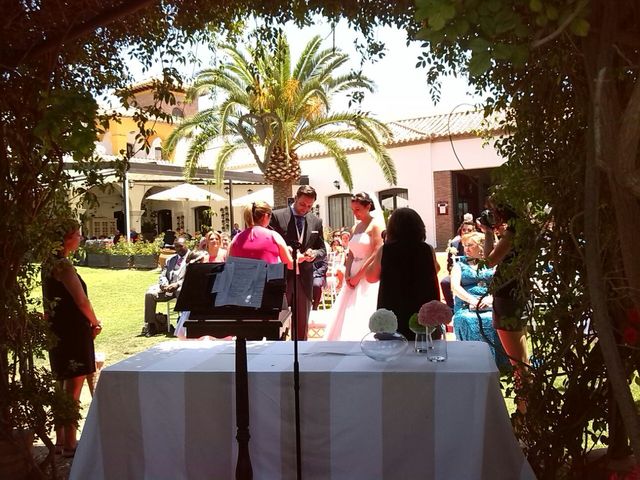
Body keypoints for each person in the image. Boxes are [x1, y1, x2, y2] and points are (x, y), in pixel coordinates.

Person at [41, 221, 103, 457]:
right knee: (73, 387)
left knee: (62, 384)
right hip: (73, 330)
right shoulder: (64, 266)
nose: (80, 237)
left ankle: (59, 441)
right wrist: (95, 322)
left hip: (57, 330)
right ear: (66, 239)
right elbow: (81, 300)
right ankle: (70, 443)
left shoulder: (48, 265)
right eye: (77, 234)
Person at [479, 199, 529, 412]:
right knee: (523, 360)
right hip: (520, 294)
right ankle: (527, 410)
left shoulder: (512, 234)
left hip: (507, 297)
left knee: (519, 364)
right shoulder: (527, 233)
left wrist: (489, 233)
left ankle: (525, 412)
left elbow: (488, 262)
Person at [366, 208, 440, 340]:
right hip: (421, 307)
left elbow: (371, 277)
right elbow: (436, 269)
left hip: (393, 307)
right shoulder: (427, 249)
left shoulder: (386, 250)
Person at [325, 192, 384, 340]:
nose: (355, 213)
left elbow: (377, 251)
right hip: (352, 272)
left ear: (368, 206)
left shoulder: (375, 226)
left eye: (358, 209)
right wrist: (347, 274)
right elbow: (350, 253)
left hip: (367, 273)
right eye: (353, 210)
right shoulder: (355, 228)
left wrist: (359, 276)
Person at [270, 186, 326, 340]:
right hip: (282, 277)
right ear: (295, 198)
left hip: (304, 278)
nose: (305, 209)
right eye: (302, 204)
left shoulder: (316, 221)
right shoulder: (277, 216)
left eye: (309, 206)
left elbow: (322, 251)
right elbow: (270, 247)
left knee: (301, 325)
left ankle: (301, 355)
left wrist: (314, 254)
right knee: (278, 321)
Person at [450, 232, 508, 367]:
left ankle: (497, 362)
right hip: (466, 305)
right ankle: (471, 362)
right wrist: (473, 301)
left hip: (490, 303)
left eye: (470, 245)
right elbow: (455, 287)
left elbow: (502, 284)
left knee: (493, 318)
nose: (466, 249)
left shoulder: (494, 263)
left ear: (481, 245)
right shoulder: (460, 265)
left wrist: (491, 299)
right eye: (464, 246)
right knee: (467, 319)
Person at [142, 237, 190, 336]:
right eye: (176, 247)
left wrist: (177, 284)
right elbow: (163, 274)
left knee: (180, 290)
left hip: (183, 288)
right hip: (168, 289)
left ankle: (181, 323)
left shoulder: (192, 257)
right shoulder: (170, 260)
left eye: (180, 246)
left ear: (186, 245)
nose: (178, 249)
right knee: (150, 294)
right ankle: (151, 325)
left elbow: (192, 276)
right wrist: (163, 284)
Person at [441, 221, 477, 308]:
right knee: (445, 282)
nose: (466, 232)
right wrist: (454, 273)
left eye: (469, 230)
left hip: (474, 270)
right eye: (464, 230)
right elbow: (449, 263)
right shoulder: (454, 244)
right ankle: (451, 307)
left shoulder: (477, 242)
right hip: (458, 271)